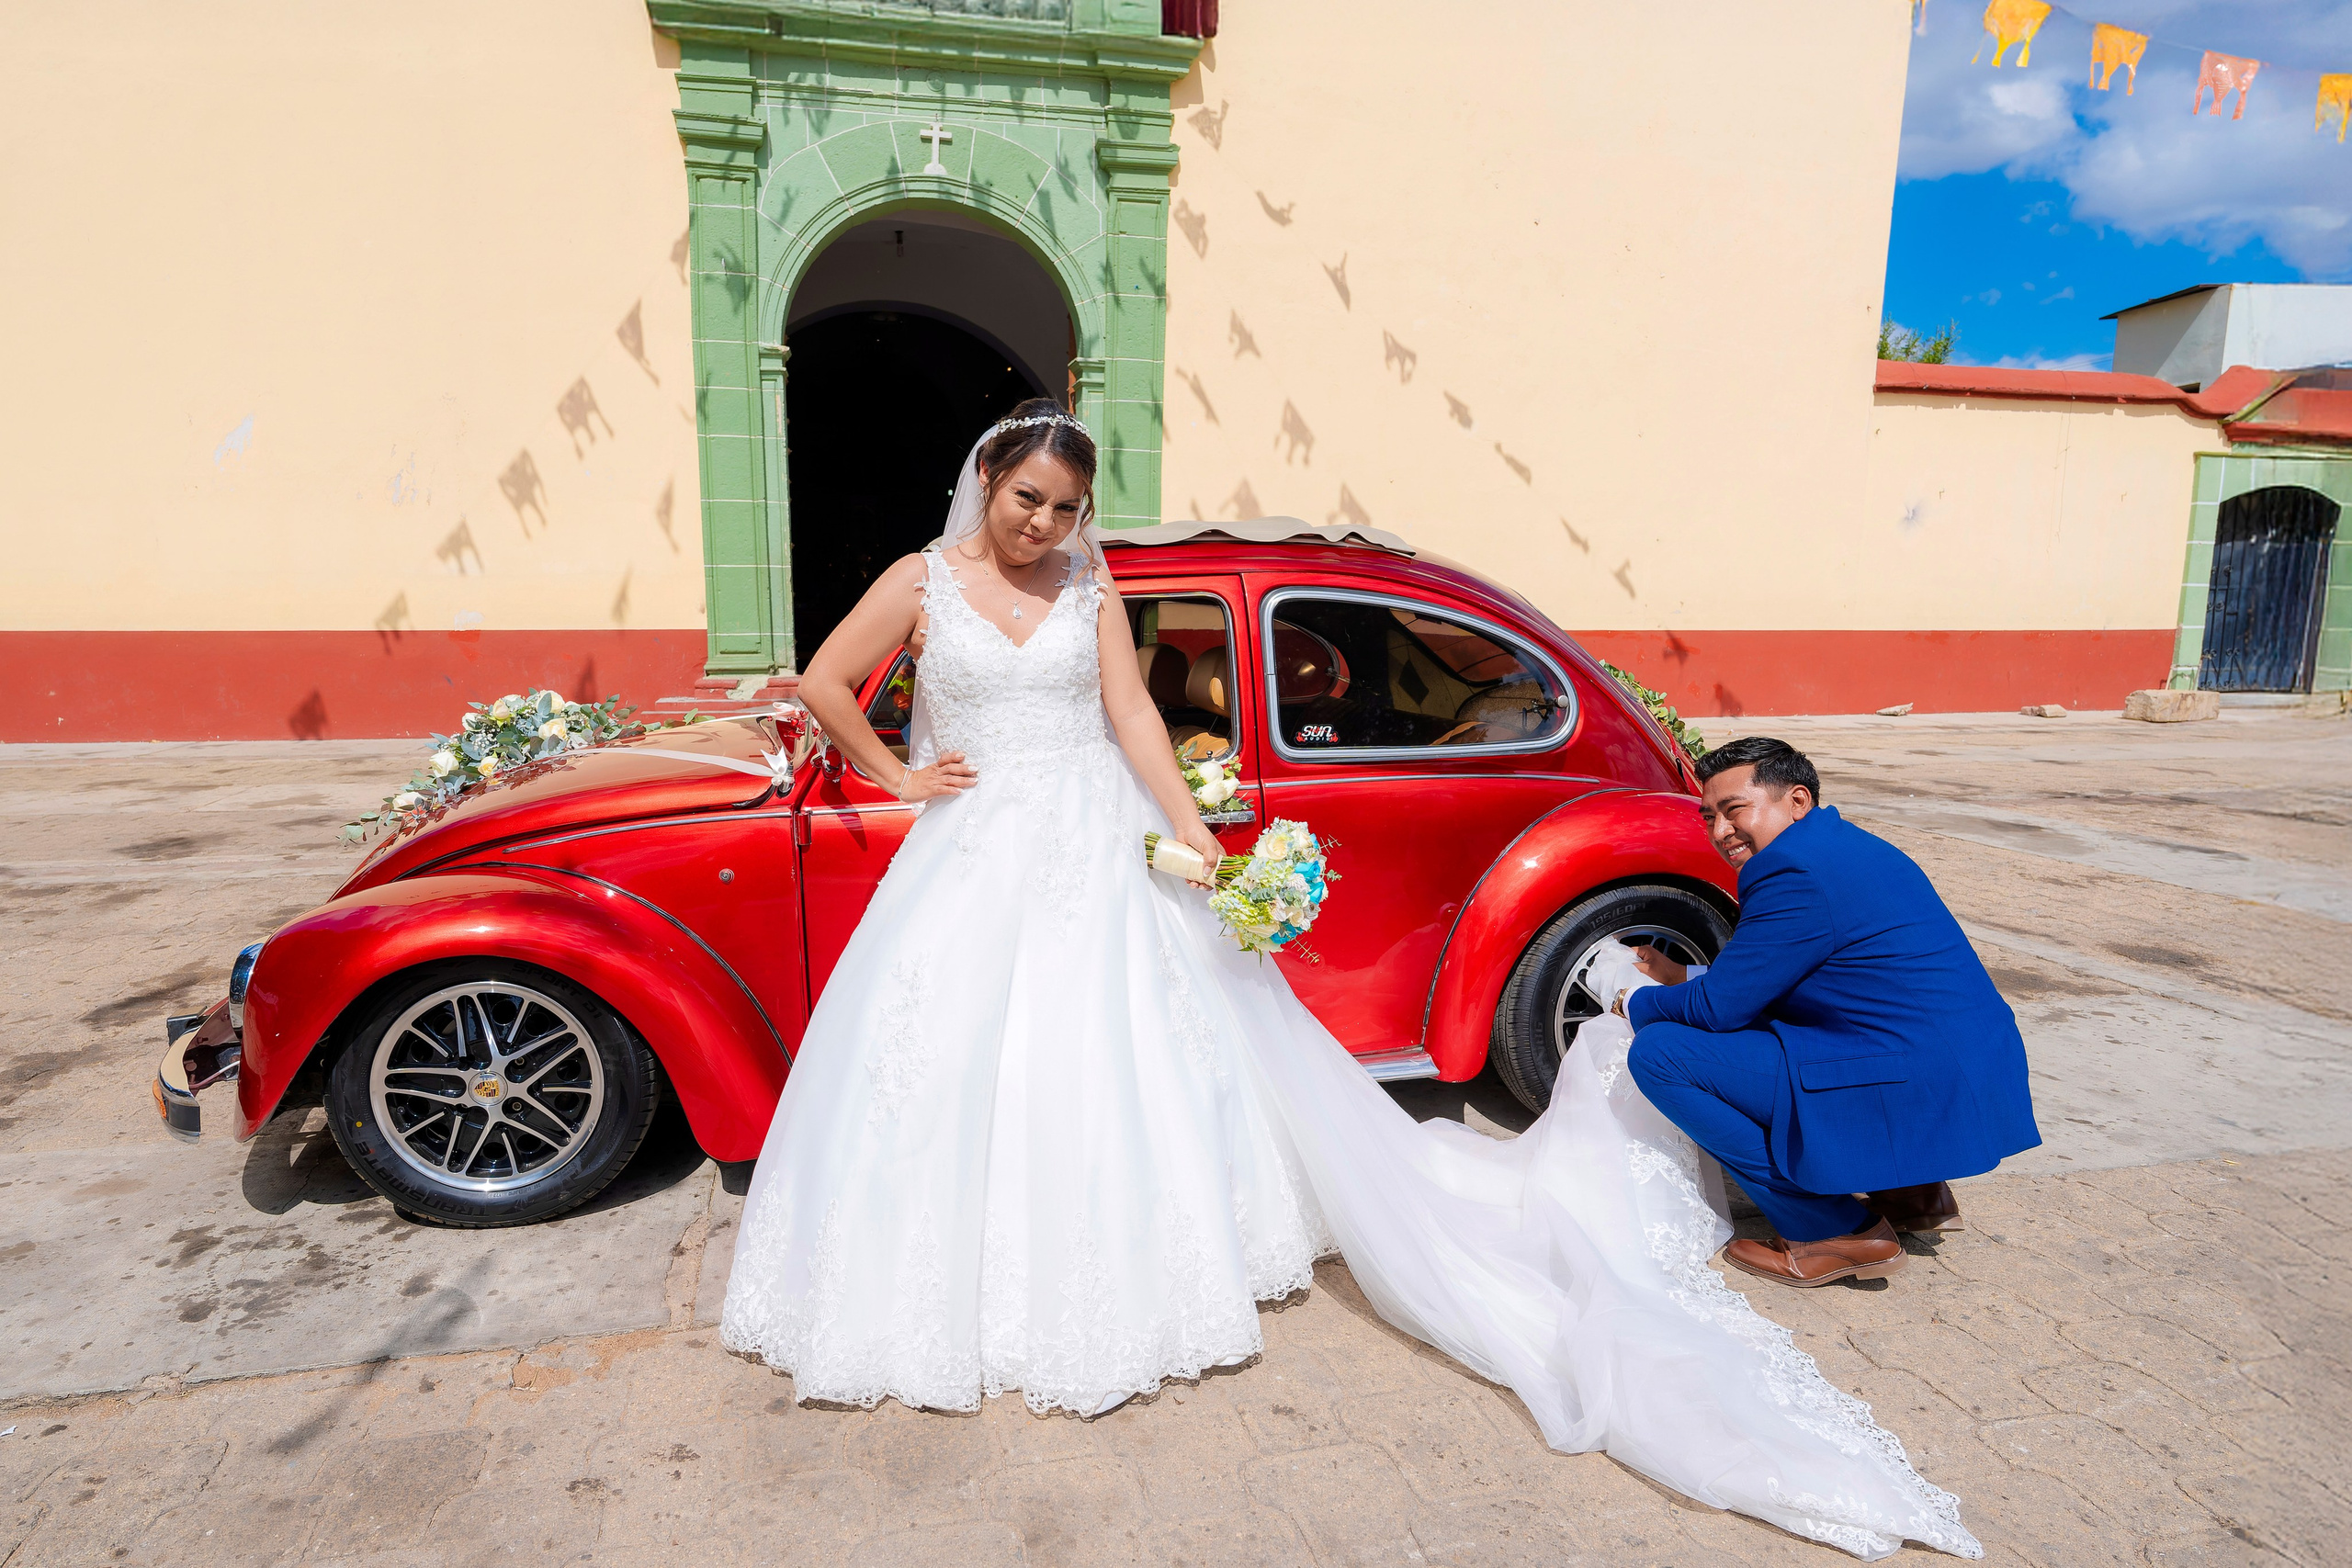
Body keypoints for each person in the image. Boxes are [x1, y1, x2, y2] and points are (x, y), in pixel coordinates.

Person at [719, 401, 1981, 1560]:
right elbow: (829, 679)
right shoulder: (918, 577)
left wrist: (1198, 841)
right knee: (945, 1055)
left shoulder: (1089, 589)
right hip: (974, 844)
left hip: (1093, 836)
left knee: (1113, 1048)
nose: (1041, 523)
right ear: (988, 480)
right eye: (1026, 498)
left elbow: (1137, 720)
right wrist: (894, 774)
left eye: (1061, 506)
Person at [1615, 737, 2041, 1288]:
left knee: (1662, 1055)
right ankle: (1912, 1192)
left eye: (1735, 810)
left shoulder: (1791, 871)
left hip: (1911, 1074)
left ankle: (1832, 1232)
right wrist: (1680, 976)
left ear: (1797, 800)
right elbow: (1784, 974)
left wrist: (1635, 1000)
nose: (1721, 831)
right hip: (1963, 1061)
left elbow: (1721, 1010)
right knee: (1774, 1036)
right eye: (1709, 816)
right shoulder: (1842, 845)